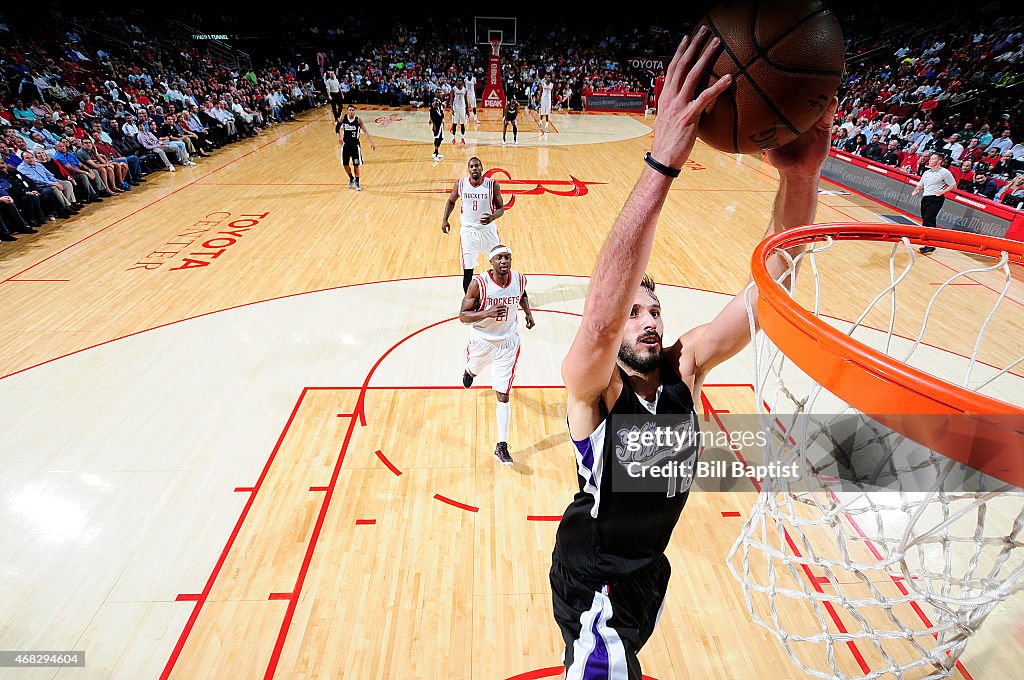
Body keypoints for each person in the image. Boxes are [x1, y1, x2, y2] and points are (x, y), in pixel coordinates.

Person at [550, 29, 834, 679]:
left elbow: (768, 292)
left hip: (649, 575)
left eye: (654, 311)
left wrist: (799, 179)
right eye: (634, 314)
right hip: (594, 589)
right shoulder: (593, 390)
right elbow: (598, 322)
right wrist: (661, 164)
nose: (648, 323)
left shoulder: (686, 367)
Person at [458, 244, 536, 466]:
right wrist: (488, 312)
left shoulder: (520, 279)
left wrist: (528, 313)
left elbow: (522, 294)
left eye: (507, 257)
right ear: (491, 262)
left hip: (508, 343)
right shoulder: (478, 284)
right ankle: (470, 371)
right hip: (482, 341)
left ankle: (501, 445)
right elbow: (463, 316)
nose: (504, 261)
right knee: (475, 367)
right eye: (499, 258)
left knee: (503, 393)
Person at [441, 157, 505, 292]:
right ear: (468, 169)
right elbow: (451, 201)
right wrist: (445, 219)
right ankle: (468, 304)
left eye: (477, 166)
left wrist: (492, 217)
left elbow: (501, 208)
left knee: (500, 264)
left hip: (488, 231)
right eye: (472, 166)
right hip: (469, 233)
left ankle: (505, 294)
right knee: (468, 271)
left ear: (482, 168)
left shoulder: (492, 185)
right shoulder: (461, 184)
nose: (474, 168)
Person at [911, 153, 956, 254]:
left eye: (932, 159)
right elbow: (920, 183)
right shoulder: (927, 172)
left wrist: (942, 192)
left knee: (929, 220)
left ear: (939, 161)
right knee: (925, 220)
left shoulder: (944, 172)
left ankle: (930, 244)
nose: (929, 160)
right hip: (926, 198)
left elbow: (953, 185)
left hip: (936, 199)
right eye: (930, 159)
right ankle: (927, 241)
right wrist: (917, 189)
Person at [335, 105, 376, 191]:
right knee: (345, 164)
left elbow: (365, 131)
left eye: (352, 110)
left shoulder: (358, 120)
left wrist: (371, 142)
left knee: (356, 165)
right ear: (347, 111)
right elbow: (337, 128)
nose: (351, 112)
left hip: (355, 146)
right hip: (345, 145)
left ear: (354, 111)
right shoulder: (344, 118)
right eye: (349, 110)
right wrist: (338, 137)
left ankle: (357, 182)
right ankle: (351, 178)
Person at [450, 78, 469, 145]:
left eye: (461, 80)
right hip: (456, 107)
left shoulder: (464, 89)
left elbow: (466, 100)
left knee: (462, 124)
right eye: (458, 80)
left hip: (462, 107)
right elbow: (451, 99)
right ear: (457, 82)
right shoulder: (454, 89)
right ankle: (453, 138)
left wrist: (467, 110)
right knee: (454, 123)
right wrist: (452, 108)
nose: (459, 81)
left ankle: (463, 138)